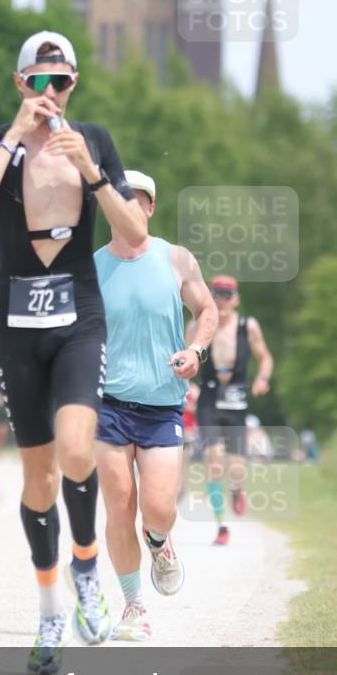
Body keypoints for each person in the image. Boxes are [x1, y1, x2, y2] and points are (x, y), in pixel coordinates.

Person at [0, 30, 146, 674]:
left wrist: (91, 172)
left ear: (75, 83)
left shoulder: (94, 141)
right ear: (19, 84)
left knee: (76, 448)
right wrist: (14, 133)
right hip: (16, 322)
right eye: (38, 80)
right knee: (37, 479)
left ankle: (85, 565)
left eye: (60, 80)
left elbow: (135, 231)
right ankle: (48, 611)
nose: (50, 92)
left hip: (78, 317)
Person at [94, 171, 217, 641]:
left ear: (149, 209)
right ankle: (133, 607)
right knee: (119, 505)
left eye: (137, 201)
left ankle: (161, 544)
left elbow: (207, 311)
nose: (127, 208)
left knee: (159, 508)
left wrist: (197, 352)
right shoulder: (92, 267)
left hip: (162, 406)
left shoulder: (176, 259)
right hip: (108, 405)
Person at [188, 275, 273, 545]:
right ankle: (222, 525)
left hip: (236, 400)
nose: (221, 301)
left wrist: (263, 378)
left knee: (236, 468)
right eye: (217, 295)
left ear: (236, 299)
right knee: (213, 462)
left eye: (227, 296)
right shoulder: (198, 326)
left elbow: (265, 357)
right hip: (209, 398)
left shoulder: (248, 326)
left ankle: (237, 487)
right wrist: (190, 386)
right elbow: (184, 358)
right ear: (210, 297)